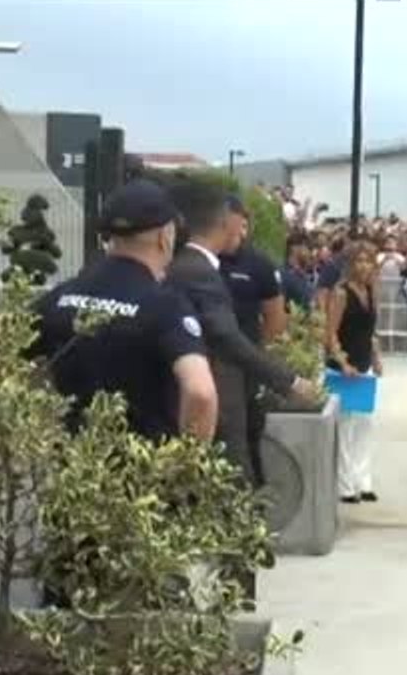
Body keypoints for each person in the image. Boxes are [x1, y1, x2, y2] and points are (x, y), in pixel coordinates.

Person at [31, 178, 218, 442]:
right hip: (144, 460)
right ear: (165, 237)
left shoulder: (61, 296)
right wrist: (190, 456)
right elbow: (200, 392)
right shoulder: (165, 306)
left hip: (73, 459)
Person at [165, 180, 316, 487]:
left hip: (225, 385)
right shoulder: (199, 272)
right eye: (240, 222)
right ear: (226, 222)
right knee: (233, 479)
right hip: (216, 392)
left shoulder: (185, 265)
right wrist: (287, 380)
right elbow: (225, 336)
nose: (243, 232)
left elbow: (273, 318)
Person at [220, 206, 289, 490]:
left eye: (245, 226)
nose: (241, 232)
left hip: (246, 364)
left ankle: (254, 497)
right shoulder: (203, 260)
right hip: (208, 360)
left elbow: (275, 316)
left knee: (249, 432)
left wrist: (258, 356)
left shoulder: (258, 264)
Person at [325, 240, 383, 504]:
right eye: (359, 260)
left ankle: (363, 480)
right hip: (343, 369)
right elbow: (330, 334)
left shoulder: (371, 291)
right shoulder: (341, 293)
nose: (364, 266)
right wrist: (342, 361)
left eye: (368, 261)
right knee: (345, 427)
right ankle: (345, 485)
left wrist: (377, 357)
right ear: (350, 264)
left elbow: (371, 332)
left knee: (364, 424)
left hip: (364, 365)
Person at [281, 231, 315, 312]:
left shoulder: (302, 275)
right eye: (308, 248)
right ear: (295, 248)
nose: (311, 253)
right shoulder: (285, 276)